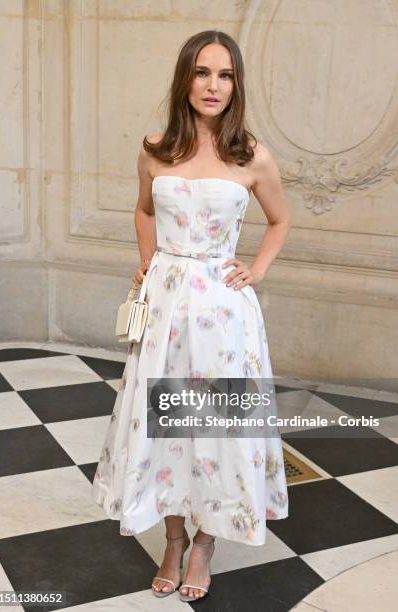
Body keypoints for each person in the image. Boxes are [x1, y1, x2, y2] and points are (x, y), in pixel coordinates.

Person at [91, 29, 291, 602]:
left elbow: (280, 221)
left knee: (218, 426)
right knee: (165, 422)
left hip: (225, 314)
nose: (213, 85)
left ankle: (206, 541)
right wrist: (148, 264)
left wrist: (255, 269)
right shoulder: (156, 147)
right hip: (166, 306)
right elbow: (144, 208)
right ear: (185, 78)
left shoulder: (251, 154)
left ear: (237, 84)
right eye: (203, 72)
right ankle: (173, 539)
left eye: (225, 75)